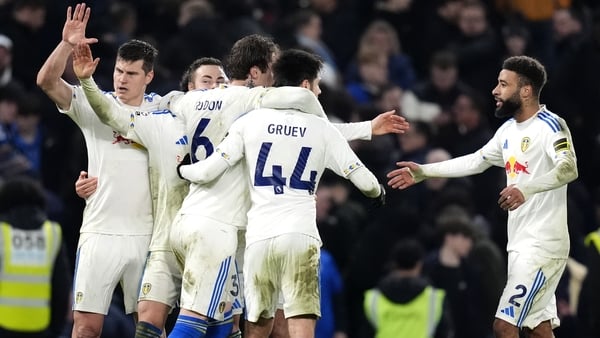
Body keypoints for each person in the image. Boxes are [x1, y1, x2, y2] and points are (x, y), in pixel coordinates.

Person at [74, 35, 406, 338]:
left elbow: (121, 119)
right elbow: (311, 122)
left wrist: (88, 83)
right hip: (225, 230)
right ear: (256, 73)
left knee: (162, 323)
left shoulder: (186, 103)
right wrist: (365, 130)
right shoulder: (254, 104)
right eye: (272, 66)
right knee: (207, 321)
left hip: (179, 225)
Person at [177, 48, 386, 338]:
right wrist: (377, 192)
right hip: (300, 235)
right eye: (317, 84)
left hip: (259, 237)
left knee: (257, 324)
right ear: (305, 86)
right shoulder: (321, 129)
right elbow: (361, 177)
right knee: (300, 320)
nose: (320, 90)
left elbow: (208, 170)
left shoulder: (250, 122)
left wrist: (183, 171)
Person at [387, 55, 578, 338]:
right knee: (538, 328)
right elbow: (476, 161)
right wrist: (424, 171)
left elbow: (569, 167)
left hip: (543, 243)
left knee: (504, 326)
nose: (495, 91)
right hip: (521, 242)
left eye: (503, 84)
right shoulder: (508, 131)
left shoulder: (551, 125)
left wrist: (525, 189)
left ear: (525, 90)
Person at [36, 3, 167, 337]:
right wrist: (66, 44)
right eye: (119, 71)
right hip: (100, 232)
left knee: (151, 327)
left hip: (147, 236)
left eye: (132, 73)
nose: (122, 79)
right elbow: (46, 81)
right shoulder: (96, 104)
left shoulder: (165, 110)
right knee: (85, 327)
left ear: (148, 76)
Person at [0, 176, 70, 337]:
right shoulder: (52, 233)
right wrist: (56, 329)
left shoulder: (2, 233)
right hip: (40, 328)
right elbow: (61, 287)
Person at [362, 238, 452, 338]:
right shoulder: (434, 298)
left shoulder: (373, 298)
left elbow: (366, 333)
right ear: (419, 264)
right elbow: (444, 332)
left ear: (394, 264)